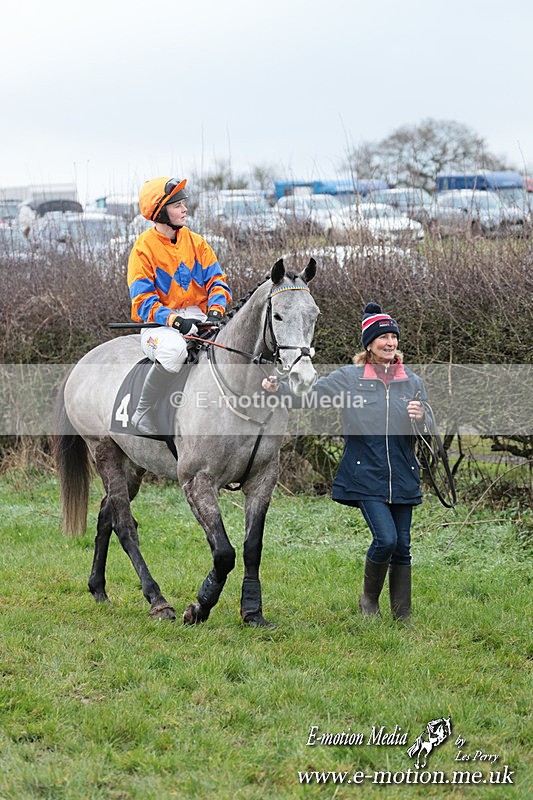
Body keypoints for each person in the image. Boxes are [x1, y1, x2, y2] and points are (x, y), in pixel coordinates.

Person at [262, 301, 427, 623]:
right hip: (365, 474)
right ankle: (369, 601)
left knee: (403, 546)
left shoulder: (412, 381)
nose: (390, 343)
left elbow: (427, 429)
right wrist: (277, 390)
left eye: (393, 337)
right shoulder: (350, 378)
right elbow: (309, 397)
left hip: (403, 475)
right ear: (369, 345)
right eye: (383, 337)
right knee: (386, 539)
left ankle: (402, 615)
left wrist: (423, 417)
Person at [127, 177, 232, 434]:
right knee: (175, 352)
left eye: (184, 203)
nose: (185, 209)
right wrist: (175, 321)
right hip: (159, 326)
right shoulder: (143, 249)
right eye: (177, 205)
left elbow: (217, 282)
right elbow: (143, 302)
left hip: (198, 318)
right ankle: (142, 411)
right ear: (161, 212)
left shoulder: (197, 242)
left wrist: (215, 312)